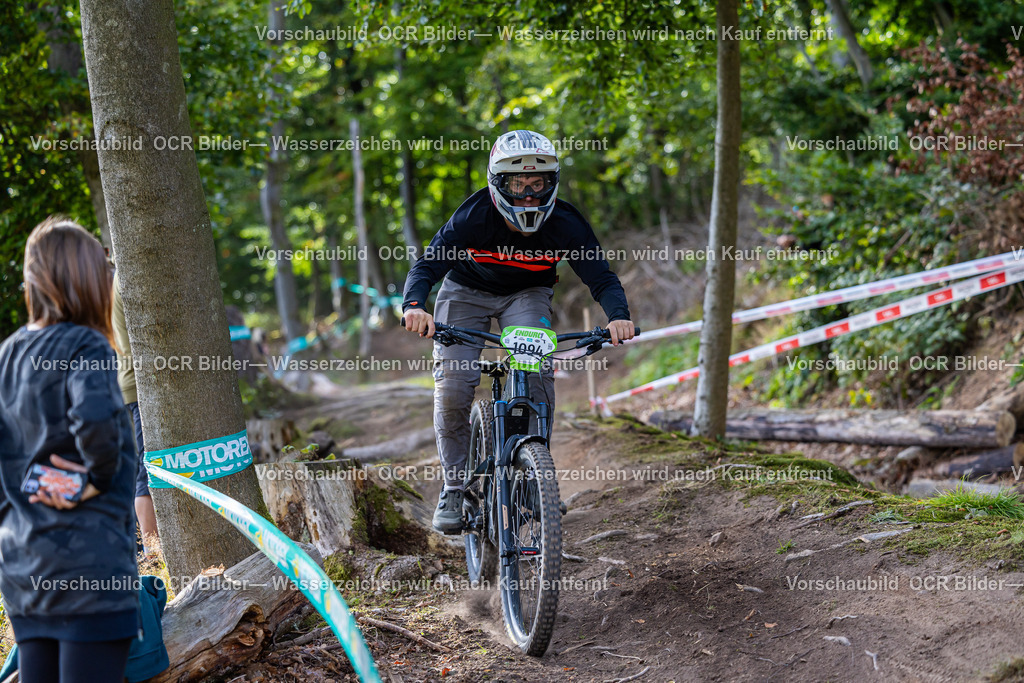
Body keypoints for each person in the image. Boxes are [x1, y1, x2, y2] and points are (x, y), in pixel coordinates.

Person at [402, 130, 635, 532]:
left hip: (527, 294)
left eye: (537, 184)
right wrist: (414, 306)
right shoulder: (474, 216)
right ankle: (454, 487)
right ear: (499, 184)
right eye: (517, 184)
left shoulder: (566, 223)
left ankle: (533, 478)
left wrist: (618, 316)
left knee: (536, 372)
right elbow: (427, 265)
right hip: (465, 292)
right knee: (454, 383)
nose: (528, 195)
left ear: (551, 183)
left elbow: (601, 277)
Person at [0, 216, 140, 683]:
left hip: (24, 572)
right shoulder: (86, 344)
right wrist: (96, 479)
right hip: (89, 569)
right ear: (85, 277)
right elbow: (96, 416)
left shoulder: (7, 354)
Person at [111, 271, 160, 555]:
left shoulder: (121, 274)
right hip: (137, 386)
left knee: (144, 466)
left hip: (134, 385)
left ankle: (149, 551)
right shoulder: (127, 273)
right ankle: (152, 555)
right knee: (147, 469)